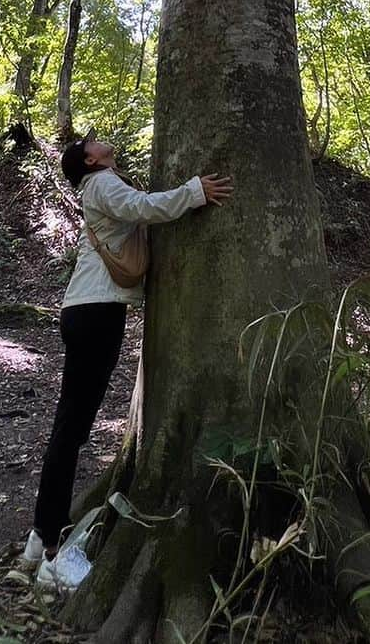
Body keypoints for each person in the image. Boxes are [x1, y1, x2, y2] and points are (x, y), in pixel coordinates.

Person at [25, 129, 232, 590]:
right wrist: (194, 192)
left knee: (70, 425)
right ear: (90, 163)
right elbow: (142, 208)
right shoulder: (100, 185)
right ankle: (54, 550)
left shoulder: (101, 182)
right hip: (95, 312)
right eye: (88, 145)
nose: (96, 141)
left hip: (89, 310)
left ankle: (40, 538)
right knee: (72, 428)